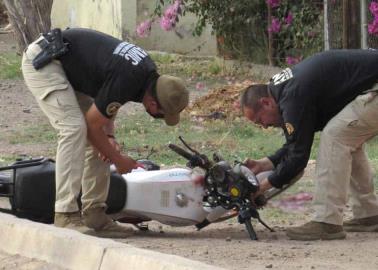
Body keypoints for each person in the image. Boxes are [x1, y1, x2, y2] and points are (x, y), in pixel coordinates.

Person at [21, 28, 189, 237]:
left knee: (101, 140)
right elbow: (93, 125)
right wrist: (118, 159)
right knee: (74, 129)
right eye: (163, 114)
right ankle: (65, 214)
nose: (160, 117)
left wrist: (109, 138)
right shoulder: (131, 77)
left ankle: (95, 214)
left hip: (68, 66)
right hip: (46, 61)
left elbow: (108, 99)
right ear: (154, 104)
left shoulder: (146, 74)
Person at [240, 49, 378, 241]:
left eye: (258, 120)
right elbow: (297, 142)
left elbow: (298, 158)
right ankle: (368, 215)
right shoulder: (283, 91)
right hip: (371, 86)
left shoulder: (292, 97)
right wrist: (265, 163)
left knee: (336, 137)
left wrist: (261, 188)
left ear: (265, 103)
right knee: (346, 137)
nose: (263, 126)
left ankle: (327, 222)